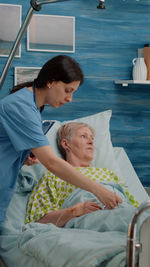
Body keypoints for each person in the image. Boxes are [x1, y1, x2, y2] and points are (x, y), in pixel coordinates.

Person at [0, 55, 121, 224]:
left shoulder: (32, 106)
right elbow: (52, 162)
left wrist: (22, 155)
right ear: (51, 81)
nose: (70, 99)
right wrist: (99, 191)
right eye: (67, 90)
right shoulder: (21, 106)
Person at [25, 122, 139, 227]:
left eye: (92, 138)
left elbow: (134, 207)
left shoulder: (108, 173)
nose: (91, 142)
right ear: (66, 144)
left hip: (124, 212)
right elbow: (37, 222)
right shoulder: (54, 176)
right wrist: (73, 211)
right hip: (91, 218)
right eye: (83, 136)